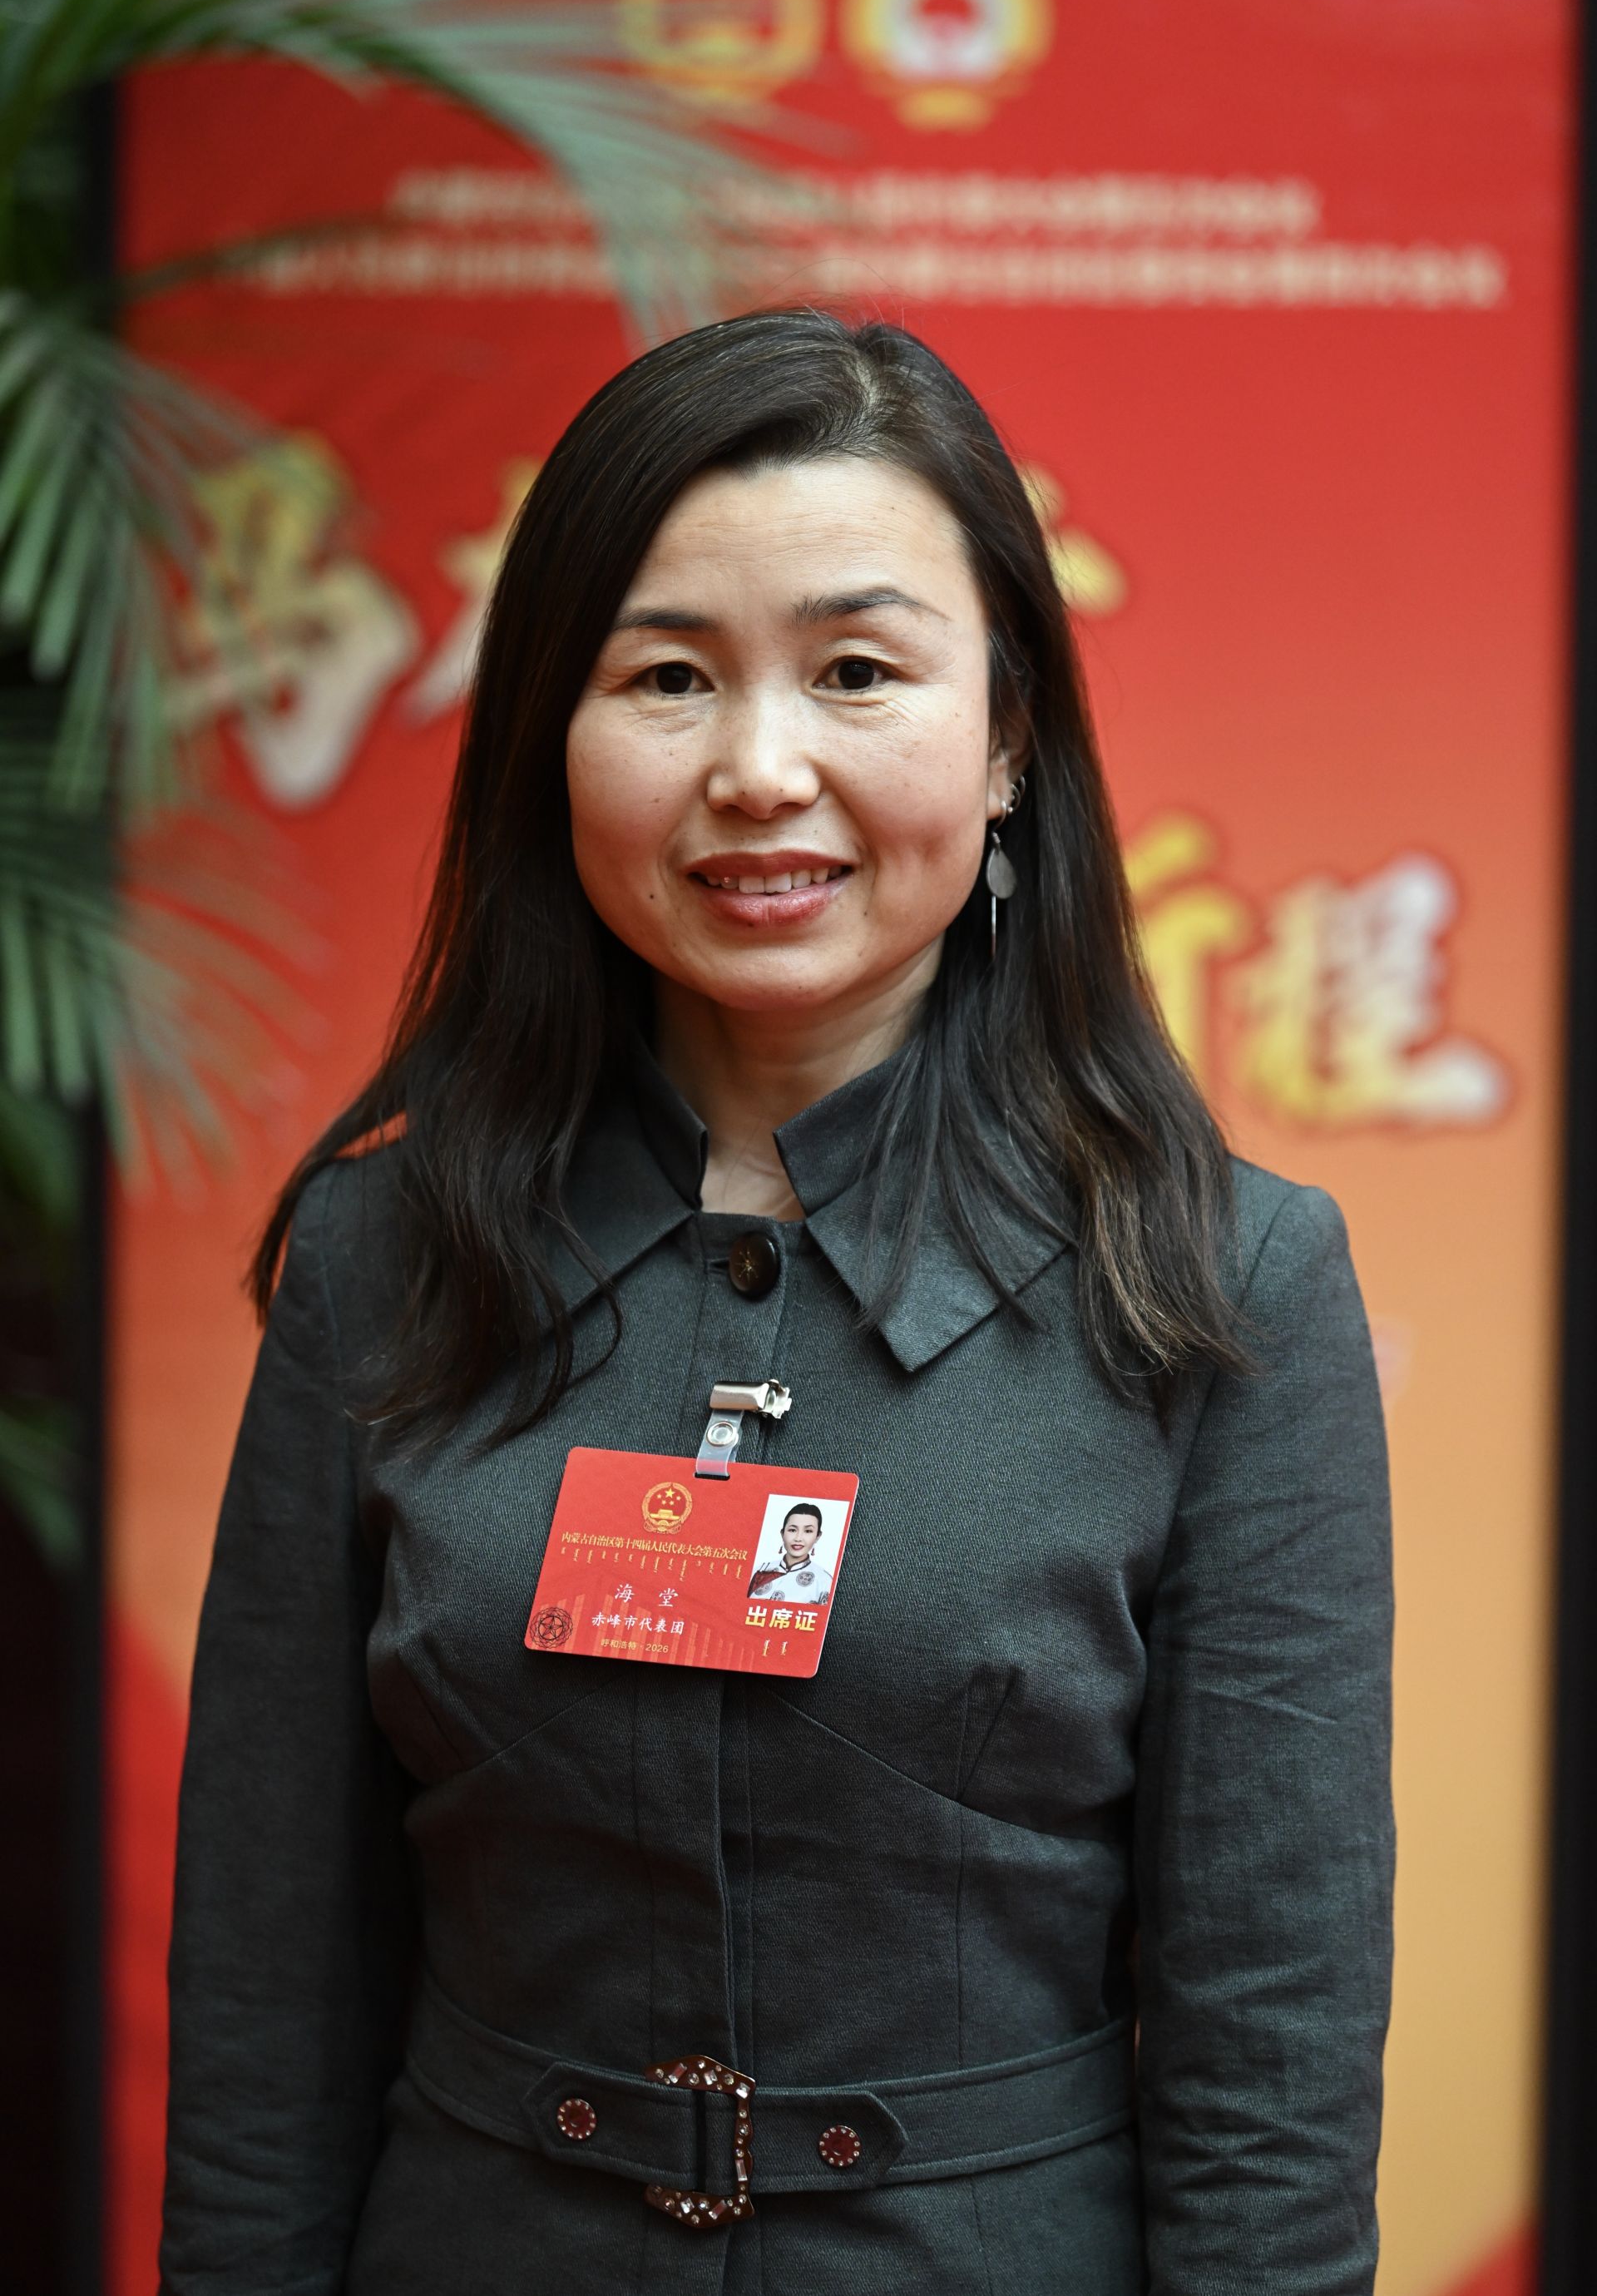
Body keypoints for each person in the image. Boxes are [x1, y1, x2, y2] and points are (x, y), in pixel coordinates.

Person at [161, 309, 1393, 2296]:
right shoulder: (384, 1259)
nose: (757, 766)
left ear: (1007, 738)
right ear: (548, 734)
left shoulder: (1218, 1287)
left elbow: (1270, 2057)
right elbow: (263, 2002)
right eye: (667, 675)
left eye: (855, 671)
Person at [748, 1502, 832, 1603]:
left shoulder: (825, 1581)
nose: (798, 1538)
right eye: (792, 1530)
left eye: (808, 1531)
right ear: (782, 1533)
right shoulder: (759, 1570)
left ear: (817, 1536)